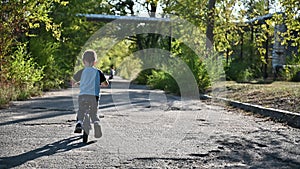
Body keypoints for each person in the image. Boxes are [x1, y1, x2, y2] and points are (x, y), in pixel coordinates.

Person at [72, 49, 109, 138]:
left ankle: (79, 122)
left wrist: (77, 84)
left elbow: (73, 81)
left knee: (81, 110)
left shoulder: (81, 71)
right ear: (95, 62)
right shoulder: (98, 72)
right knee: (93, 113)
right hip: (94, 96)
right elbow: (105, 84)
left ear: (83, 61)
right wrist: (102, 83)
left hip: (83, 95)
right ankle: (96, 123)